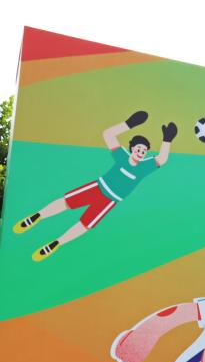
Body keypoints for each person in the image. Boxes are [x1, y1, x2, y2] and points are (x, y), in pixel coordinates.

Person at [13, 110, 177, 261]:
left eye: (144, 151)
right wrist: (129, 124)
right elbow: (108, 135)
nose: (140, 152)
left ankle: (56, 243)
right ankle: (37, 216)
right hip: (97, 188)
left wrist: (167, 140)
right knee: (67, 202)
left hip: (110, 200)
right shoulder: (121, 156)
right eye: (139, 148)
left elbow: (161, 159)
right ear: (132, 148)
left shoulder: (143, 168)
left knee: (85, 224)